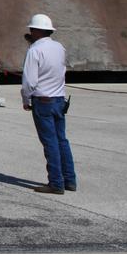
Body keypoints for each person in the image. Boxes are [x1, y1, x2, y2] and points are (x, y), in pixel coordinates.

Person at [21, 13, 76, 194]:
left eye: (31, 29)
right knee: (62, 140)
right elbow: (62, 71)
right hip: (59, 99)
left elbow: (29, 81)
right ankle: (70, 180)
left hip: (42, 101)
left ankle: (56, 183)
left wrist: (26, 99)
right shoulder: (59, 48)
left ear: (36, 30)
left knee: (50, 143)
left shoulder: (34, 51)